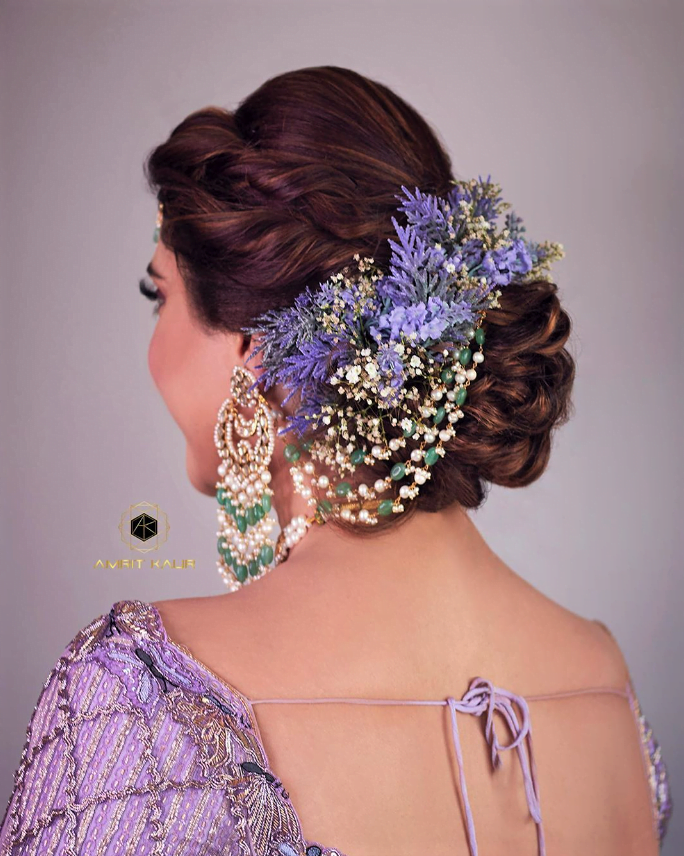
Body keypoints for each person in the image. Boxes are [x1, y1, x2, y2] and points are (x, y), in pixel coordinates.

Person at [0, 65, 672, 856]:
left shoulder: (140, 697)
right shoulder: (604, 680)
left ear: (252, 346)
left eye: (161, 296)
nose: (152, 347)